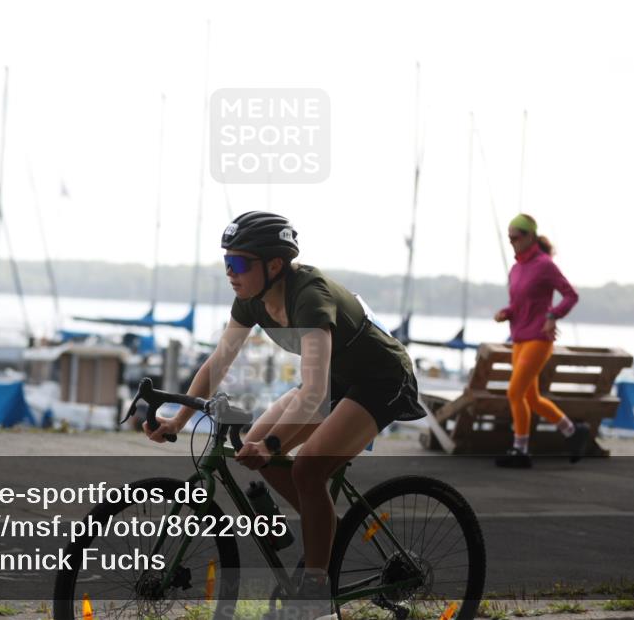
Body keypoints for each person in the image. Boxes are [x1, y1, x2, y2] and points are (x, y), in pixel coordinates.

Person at [144, 211, 425, 618]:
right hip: (335, 378)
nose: (230, 272)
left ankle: (315, 592)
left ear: (274, 265)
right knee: (251, 443)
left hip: (382, 379)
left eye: (239, 263)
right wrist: (178, 419)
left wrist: (273, 443)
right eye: (226, 262)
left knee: (305, 468)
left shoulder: (309, 298)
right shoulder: (250, 300)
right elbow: (219, 361)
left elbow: (312, 392)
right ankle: (324, 527)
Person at [493, 213, 587, 468]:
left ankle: (520, 450)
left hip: (539, 339)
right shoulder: (515, 269)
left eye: (516, 237)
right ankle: (572, 431)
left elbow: (570, 295)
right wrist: (507, 312)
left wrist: (552, 315)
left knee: (514, 392)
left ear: (530, 236)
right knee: (530, 398)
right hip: (519, 338)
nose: (511, 241)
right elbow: (519, 304)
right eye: (509, 237)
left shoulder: (545, 265)